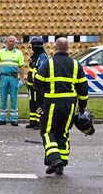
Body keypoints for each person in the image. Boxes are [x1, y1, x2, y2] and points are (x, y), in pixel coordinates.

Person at [34, 37, 89, 176]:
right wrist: (82, 107)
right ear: (68, 49)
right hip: (69, 104)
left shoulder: (49, 63)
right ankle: (61, 163)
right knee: (63, 132)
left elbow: (37, 82)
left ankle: (54, 159)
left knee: (47, 132)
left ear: (56, 48)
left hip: (51, 103)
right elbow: (83, 88)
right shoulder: (76, 65)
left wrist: (39, 103)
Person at [0, 35, 25, 126]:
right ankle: (2, 118)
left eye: (13, 41)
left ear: (15, 43)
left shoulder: (19, 53)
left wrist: (22, 79)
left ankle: (14, 119)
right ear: (7, 42)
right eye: (10, 41)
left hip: (14, 78)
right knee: (3, 97)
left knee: (13, 98)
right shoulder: (1, 52)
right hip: (4, 77)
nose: (11, 43)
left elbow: (21, 67)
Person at [25, 36, 48, 129]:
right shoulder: (34, 56)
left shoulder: (42, 56)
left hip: (37, 85)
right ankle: (33, 121)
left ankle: (40, 122)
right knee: (32, 103)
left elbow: (41, 70)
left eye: (32, 45)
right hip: (31, 85)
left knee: (39, 104)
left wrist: (37, 84)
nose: (31, 47)